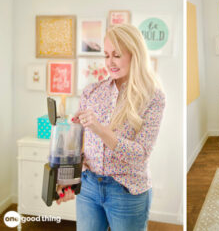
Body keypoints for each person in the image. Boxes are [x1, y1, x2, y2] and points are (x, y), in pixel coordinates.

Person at [55, 24, 165, 231]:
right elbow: (77, 145)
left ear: (135, 55)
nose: (109, 63)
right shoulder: (91, 92)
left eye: (116, 55)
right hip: (88, 187)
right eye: (106, 55)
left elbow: (140, 154)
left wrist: (100, 129)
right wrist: (66, 179)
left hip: (127, 192)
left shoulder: (153, 97)